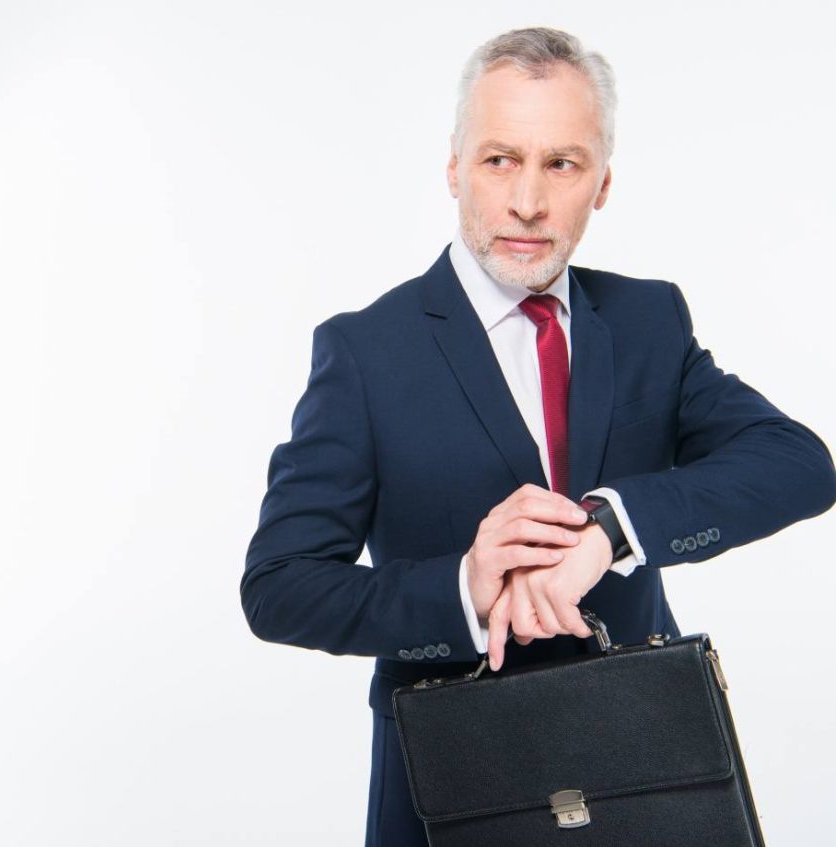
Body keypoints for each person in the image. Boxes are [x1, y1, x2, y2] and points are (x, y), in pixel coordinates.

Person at [239, 26, 836, 846]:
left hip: (646, 761)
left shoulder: (647, 319)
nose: (527, 200)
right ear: (454, 169)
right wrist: (463, 586)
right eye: (499, 159)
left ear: (603, 182)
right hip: (450, 777)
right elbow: (279, 585)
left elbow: (800, 464)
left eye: (562, 163)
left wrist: (612, 528)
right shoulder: (366, 351)